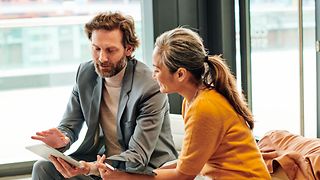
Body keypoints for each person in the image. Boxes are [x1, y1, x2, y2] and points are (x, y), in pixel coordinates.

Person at [96, 27, 271, 179]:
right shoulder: (194, 100)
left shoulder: (204, 107)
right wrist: (142, 174)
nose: (153, 75)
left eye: (157, 69)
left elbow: (183, 175)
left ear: (180, 74)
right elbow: (187, 163)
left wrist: (124, 177)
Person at [30, 11, 178, 180]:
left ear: (128, 49)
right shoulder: (85, 74)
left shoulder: (149, 87)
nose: (102, 58)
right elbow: (69, 126)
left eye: (110, 50)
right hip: (101, 167)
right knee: (43, 168)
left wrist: (90, 168)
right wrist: (63, 140)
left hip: (142, 171)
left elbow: (138, 156)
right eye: (96, 49)